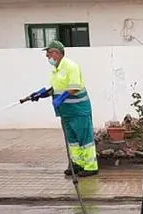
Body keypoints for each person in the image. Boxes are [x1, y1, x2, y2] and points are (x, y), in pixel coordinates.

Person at [22, 40, 98, 177]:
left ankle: (91, 166)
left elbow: (74, 87)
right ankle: (77, 164)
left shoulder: (71, 66)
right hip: (66, 112)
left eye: (48, 53)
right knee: (73, 140)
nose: (47, 56)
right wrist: (42, 94)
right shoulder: (56, 69)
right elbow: (55, 88)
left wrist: (61, 98)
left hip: (78, 109)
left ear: (57, 53)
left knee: (84, 139)